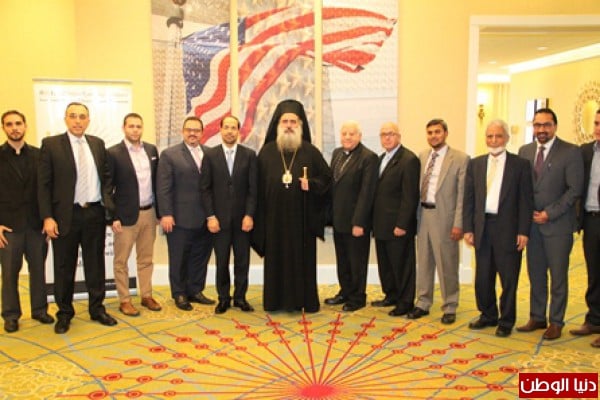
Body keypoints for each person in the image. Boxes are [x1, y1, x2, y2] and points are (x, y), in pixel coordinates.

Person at [38, 102, 117, 334]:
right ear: (65, 119)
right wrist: (47, 217)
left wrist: (106, 203)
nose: (78, 121)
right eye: (73, 116)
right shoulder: (51, 145)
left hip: (93, 213)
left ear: (88, 120)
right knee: (64, 266)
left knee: (95, 265)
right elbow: (43, 185)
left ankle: (97, 309)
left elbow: (106, 177)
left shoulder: (97, 144)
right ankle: (64, 313)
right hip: (66, 215)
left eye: (82, 117)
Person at [252, 99, 332, 313]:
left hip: (301, 221)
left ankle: (303, 301)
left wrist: (311, 184)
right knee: (276, 261)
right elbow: (256, 188)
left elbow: (327, 180)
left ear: (300, 125)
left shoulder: (311, 152)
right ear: (278, 124)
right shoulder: (266, 152)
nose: (289, 125)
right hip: (274, 221)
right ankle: (274, 301)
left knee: (301, 261)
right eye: (285, 121)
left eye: (293, 121)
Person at [516, 108, 584, 340]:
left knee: (558, 276)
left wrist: (549, 213)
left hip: (558, 225)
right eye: (537, 125)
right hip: (532, 226)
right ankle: (537, 316)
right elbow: (522, 188)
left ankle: (556, 321)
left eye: (546, 125)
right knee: (535, 274)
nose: (541, 129)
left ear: (555, 126)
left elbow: (574, 190)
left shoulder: (570, 152)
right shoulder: (525, 151)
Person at [463, 119, 533, 337]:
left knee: (508, 278)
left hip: (508, 230)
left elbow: (526, 201)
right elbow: (469, 199)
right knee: (483, 277)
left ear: (507, 138)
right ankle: (488, 314)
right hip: (482, 228)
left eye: (498, 136)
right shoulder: (475, 164)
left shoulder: (520, 165)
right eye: (490, 136)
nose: (493, 140)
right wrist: (468, 228)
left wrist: (523, 231)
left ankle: (506, 320)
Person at [409, 119, 469, 324]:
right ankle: (423, 302)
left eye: (437, 132)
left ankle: (450, 305)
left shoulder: (460, 159)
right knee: (424, 262)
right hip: (423, 215)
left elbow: (462, 195)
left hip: (445, 217)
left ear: (445, 133)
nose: (433, 136)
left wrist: (458, 223)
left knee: (447, 264)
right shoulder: (422, 156)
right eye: (430, 132)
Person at [0, 110, 53, 333]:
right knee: (9, 273)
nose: (15, 128)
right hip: (8, 226)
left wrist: (48, 218)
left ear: (25, 126)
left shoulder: (39, 155)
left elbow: (47, 189)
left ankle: (40, 310)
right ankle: (11, 315)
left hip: (35, 224)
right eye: (9, 124)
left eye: (18, 123)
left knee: (38, 270)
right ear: (4, 128)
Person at [157, 116, 215, 311]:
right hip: (179, 218)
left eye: (196, 130)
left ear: (202, 133)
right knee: (179, 258)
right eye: (189, 130)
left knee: (200, 257)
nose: (192, 133)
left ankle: (195, 290)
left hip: (205, 218)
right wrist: (166, 213)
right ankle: (179, 293)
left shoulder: (210, 153)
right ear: (183, 132)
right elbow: (163, 187)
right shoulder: (169, 155)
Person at [200, 115, 257, 314]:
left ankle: (240, 298)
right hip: (219, 221)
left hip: (243, 221)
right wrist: (210, 216)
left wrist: (249, 215)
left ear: (238, 131)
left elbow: (253, 190)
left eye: (234, 128)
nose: (230, 131)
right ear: (221, 130)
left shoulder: (249, 155)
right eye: (227, 127)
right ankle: (223, 298)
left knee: (242, 261)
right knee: (222, 261)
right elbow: (205, 189)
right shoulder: (210, 155)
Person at [107, 113, 161, 317]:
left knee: (146, 258)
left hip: (149, 213)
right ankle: (125, 299)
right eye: (131, 126)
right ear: (124, 128)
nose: (135, 130)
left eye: (138, 126)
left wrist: (159, 212)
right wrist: (112, 216)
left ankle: (146, 295)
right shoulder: (113, 153)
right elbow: (107, 188)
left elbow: (157, 182)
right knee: (121, 261)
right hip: (125, 216)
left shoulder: (151, 150)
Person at [324, 120, 378, 312]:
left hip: (356, 222)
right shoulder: (337, 153)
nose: (347, 137)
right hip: (339, 219)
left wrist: (359, 222)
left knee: (357, 262)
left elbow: (367, 193)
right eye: (344, 133)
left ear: (359, 136)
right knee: (343, 260)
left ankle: (357, 297)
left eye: (352, 134)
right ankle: (345, 292)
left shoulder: (369, 158)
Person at [371, 122, 420, 317]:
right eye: (383, 134)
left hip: (398, 226)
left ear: (398, 136)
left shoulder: (409, 160)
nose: (387, 138)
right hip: (381, 224)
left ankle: (405, 302)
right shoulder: (381, 158)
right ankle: (391, 295)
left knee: (402, 265)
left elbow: (410, 196)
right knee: (386, 264)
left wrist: (402, 224)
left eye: (390, 134)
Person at [571, 108, 600, 348]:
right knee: (594, 273)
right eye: (597, 123)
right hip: (590, 219)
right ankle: (594, 319)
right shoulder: (585, 151)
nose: (598, 128)